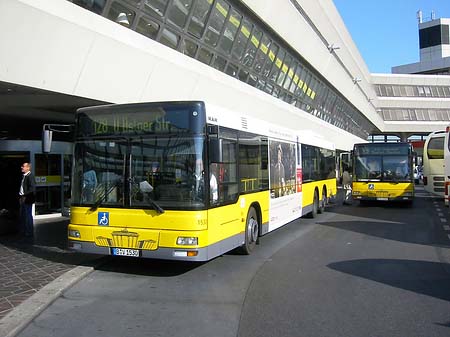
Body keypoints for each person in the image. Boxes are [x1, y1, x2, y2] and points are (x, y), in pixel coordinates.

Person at [18, 162, 36, 237]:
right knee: (23, 215)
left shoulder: (30, 176)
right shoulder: (24, 176)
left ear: (28, 168)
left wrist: (25, 195)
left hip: (27, 198)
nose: (22, 167)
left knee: (28, 215)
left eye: (23, 166)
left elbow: (32, 188)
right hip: (22, 198)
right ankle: (24, 230)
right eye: (22, 166)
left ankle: (29, 231)